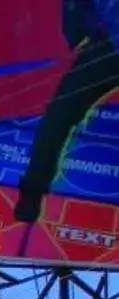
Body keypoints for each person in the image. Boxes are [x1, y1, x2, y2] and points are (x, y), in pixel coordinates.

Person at [11, 1, 119, 238]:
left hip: (106, 43)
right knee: (58, 117)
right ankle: (32, 193)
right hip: (105, 46)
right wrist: (78, 35)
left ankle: (32, 193)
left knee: (58, 118)